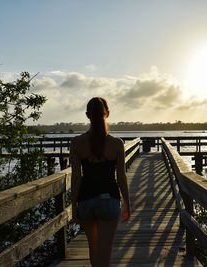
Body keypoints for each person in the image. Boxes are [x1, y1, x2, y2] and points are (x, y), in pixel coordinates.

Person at [70, 97, 130, 267]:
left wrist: (74, 206)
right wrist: (127, 203)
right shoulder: (117, 144)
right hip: (109, 201)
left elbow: (76, 177)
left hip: (86, 201)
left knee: (94, 250)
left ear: (87, 115)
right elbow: (121, 178)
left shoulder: (76, 143)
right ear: (107, 114)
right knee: (105, 255)